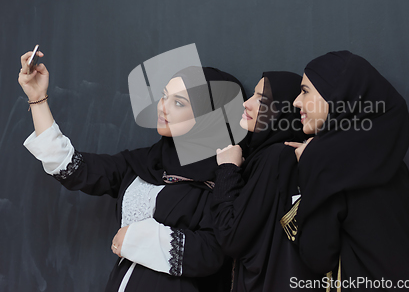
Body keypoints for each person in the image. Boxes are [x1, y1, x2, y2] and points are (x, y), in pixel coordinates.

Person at [18, 49, 244, 292]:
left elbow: (214, 252)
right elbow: (74, 168)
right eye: (164, 96)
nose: (162, 107)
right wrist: (37, 98)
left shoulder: (222, 177)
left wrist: (138, 238)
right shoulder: (144, 162)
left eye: (178, 103)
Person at [285, 51, 409, 291]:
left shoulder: (324, 162)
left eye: (305, 91)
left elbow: (317, 257)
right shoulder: (389, 160)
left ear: (336, 94)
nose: (296, 102)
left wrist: (309, 164)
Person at [212, 72, 326, 292]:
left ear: (283, 112)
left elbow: (231, 235)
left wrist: (227, 169)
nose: (246, 103)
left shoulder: (276, 157)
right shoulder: (271, 155)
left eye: (261, 100)